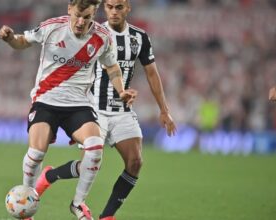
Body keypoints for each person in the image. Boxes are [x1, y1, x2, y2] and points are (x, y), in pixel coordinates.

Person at [35, 0, 177, 219]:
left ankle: (107, 215)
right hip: (93, 110)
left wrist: (164, 110)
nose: (113, 11)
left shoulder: (140, 38)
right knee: (90, 165)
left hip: (122, 110)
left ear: (127, 8)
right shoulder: (93, 34)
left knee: (135, 162)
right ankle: (50, 176)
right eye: (109, 7)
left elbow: (151, 73)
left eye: (118, 7)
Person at [0, 0, 136, 219]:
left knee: (95, 148)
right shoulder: (52, 27)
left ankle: (78, 204)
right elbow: (22, 41)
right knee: (35, 153)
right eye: (78, 15)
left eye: (88, 17)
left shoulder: (101, 37)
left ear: (94, 13)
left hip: (79, 104)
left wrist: (121, 90)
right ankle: (27, 202)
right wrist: (10, 39)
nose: (81, 22)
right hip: (46, 101)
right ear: (70, 9)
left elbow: (111, 66)